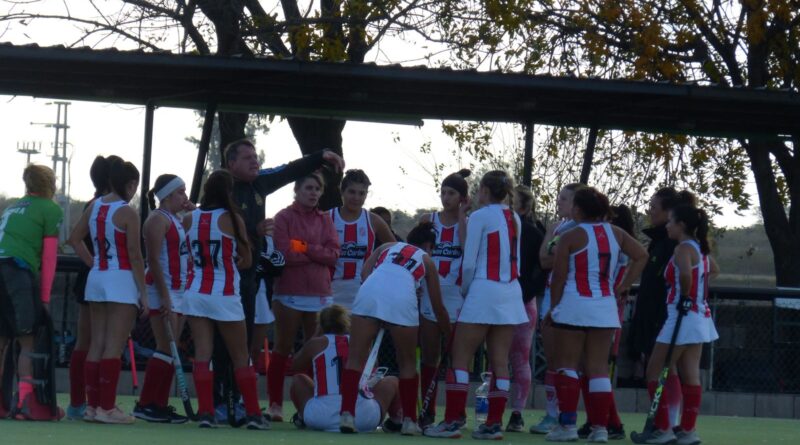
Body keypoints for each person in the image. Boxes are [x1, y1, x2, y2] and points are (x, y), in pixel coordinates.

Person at [425, 170, 527, 441]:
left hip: (483, 289)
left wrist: (466, 290)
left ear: (484, 190)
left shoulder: (480, 216)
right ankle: (493, 424)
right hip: (510, 293)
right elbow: (516, 260)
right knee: (500, 362)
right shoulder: (514, 216)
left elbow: (469, 262)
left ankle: (452, 422)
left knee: (460, 357)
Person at [543, 187, 647, 443]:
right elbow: (642, 255)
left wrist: (554, 308)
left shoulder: (570, 236)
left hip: (574, 305)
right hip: (604, 307)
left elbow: (558, 277)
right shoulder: (616, 233)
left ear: (578, 209)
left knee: (567, 366)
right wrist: (623, 286)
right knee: (598, 368)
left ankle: (567, 425)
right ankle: (600, 428)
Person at [339, 221, 450, 436]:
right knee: (407, 363)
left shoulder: (387, 247)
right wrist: (448, 335)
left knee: (355, 359)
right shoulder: (426, 260)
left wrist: (381, 302)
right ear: (429, 246)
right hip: (402, 300)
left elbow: (365, 273)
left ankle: (347, 415)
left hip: (369, 293)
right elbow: (438, 307)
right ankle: (409, 421)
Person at [181, 170, 269, 430]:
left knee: (202, 354)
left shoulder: (189, 218)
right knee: (241, 355)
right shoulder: (232, 218)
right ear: (229, 191)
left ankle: (206, 413)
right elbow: (247, 259)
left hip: (195, 291)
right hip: (224, 293)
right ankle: (253, 414)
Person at [68, 158, 147, 424]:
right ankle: (108, 408)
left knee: (96, 344)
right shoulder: (128, 212)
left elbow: (74, 238)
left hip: (96, 279)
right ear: (130, 184)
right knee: (114, 345)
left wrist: (94, 263)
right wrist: (143, 292)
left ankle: (92, 407)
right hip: (120, 280)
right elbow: (135, 255)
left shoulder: (95, 206)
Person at [634, 204, 719, 445]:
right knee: (691, 374)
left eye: (671, 221)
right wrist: (695, 293)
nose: (667, 226)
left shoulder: (682, 248)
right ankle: (688, 431)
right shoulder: (700, 248)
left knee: (654, 371)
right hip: (699, 316)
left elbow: (685, 274)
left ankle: (664, 429)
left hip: (681, 316)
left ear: (681, 225)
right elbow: (713, 270)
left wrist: (685, 296)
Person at [268, 172, 340, 421]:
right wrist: (315, 254)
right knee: (282, 347)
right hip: (289, 292)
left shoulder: (325, 219)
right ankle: (275, 404)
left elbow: (333, 254)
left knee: (315, 348)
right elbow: (284, 252)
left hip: (320, 293)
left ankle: (309, 405)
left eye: (317, 189)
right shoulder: (283, 217)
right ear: (297, 190)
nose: (313, 193)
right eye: (309, 188)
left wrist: (305, 247)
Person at [626, 188, 696, 424]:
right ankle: (673, 423)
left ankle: (667, 423)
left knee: (663, 369)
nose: (650, 211)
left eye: (654, 207)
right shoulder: (661, 242)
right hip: (659, 314)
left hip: (665, 315)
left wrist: (682, 296)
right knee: (672, 369)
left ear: (670, 213)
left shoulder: (675, 246)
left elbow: (685, 275)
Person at [0, 165, 64, 420]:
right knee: (27, 340)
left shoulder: (12, 206)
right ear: (51, 184)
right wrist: (45, 297)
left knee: (2, 340)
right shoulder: (50, 209)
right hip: (17, 271)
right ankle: (27, 402)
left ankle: (2, 403)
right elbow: (49, 258)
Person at [132, 174, 193, 424]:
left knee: (172, 349)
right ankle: (146, 403)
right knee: (165, 346)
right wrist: (165, 297)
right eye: (180, 192)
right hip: (162, 290)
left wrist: (192, 209)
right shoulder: (157, 219)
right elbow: (154, 260)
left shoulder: (177, 219)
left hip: (178, 290)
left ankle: (159, 403)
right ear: (166, 195)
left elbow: (196, 222)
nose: (185, 197)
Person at [66, 155, 120, 420]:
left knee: (90, 342)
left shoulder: (100, 204)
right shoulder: (100, 205)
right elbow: (75, 239)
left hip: (96, 277)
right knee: (91, 342)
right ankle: (85, 403)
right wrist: (94, 263)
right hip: (98, 277)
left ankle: (88, 403)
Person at [290, 304, 402, 433]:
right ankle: (396, 421)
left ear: (321, 324)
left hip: (320, 416)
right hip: (363, 417)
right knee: (392, 381)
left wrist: (315, 337)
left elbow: (295, 367)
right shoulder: (359, 343)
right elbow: (374, 366)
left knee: (299, 379)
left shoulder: (315, 344)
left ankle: (301, 416)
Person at [418, 169, 471, 428]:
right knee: (430, 356)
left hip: (457, 298)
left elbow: (469, 253)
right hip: (429, 294)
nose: (446, 198)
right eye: (443, 192)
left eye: (451, 193)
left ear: (462, 198)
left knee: (456, 358)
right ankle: (427, 410)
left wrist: (462, 218)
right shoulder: (428, 220)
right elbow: (416, 253)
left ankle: (456, 413)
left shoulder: (468, 223)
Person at [531, 182, 582, 434]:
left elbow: (555, 260)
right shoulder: (558, 227)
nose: (558, 202)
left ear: (576, 204)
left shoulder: (578, 229)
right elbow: (544, 259)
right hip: (551, 294)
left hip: (569, 298)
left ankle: (566, 415)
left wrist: (553, 249)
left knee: (568, 361)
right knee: (552, 359)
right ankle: (553, 414)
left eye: (564, 199)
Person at [505, 185, 545, 432]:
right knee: (496, 358)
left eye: (511, 203)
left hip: (523, 304)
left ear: (524, 207)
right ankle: (492, 412)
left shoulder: (534, 233)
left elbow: (543, 269)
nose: (506, 207)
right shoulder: (498, 229)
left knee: (520, 358)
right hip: (498, 303)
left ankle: (517, 413)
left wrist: (526, 291)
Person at [329, 169, 395, 310]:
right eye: (352, 192)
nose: (356, 198)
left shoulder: (373, 220)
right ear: (342, 191)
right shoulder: (327, 218)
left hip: (363, 293)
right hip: (329, 293)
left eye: (361, 193)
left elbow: (397, 251)